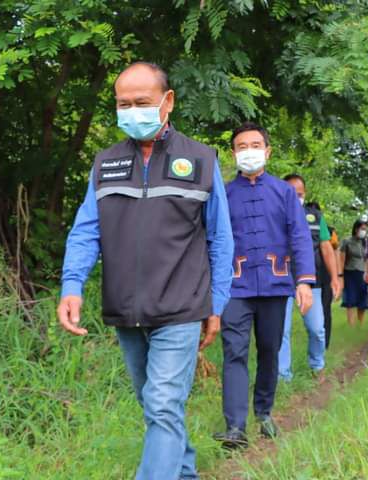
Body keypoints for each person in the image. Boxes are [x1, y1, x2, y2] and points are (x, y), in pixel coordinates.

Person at [57, 62, 234, 480]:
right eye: (124, 104)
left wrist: (217, 304)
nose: (132, 111)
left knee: (163, 404)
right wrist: (71, 285)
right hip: (126, 308)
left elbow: (221, 238)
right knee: (155, 407)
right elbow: (86, 230)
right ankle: (184, 473)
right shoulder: (105, 164)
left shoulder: (201, 159)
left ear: (167, 102)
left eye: (142, 102)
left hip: (181, 306)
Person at [214, 122, 316, 449]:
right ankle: (235, 426)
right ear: (233, 153)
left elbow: (300, 237)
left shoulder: (284, 192)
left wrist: (304, 281)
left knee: (270, 350)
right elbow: (212, 239)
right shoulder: (223, 194)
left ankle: (264, 412)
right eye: (242, 146)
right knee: (234, 351)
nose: (249, 151)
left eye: (255, 145)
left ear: (268, 151)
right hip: (235, 287)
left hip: (275, 284)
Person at [278, 177, 341, 382]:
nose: (297, 198)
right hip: (281, 280)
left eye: (300, 194)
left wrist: (335, 277)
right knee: (281, 331)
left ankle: (317, 365)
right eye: (292, 193)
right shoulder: (274, 213)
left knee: (317, 329)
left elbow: (326, 248)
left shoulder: (315, 217)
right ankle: (283, 376)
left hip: (311, 280)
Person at [339, 220, 368, 326]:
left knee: (362, 300)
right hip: (350, 273)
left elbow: (367, 259)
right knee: (350, 300)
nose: (364, 231)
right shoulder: (347, 241)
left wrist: (367, 272)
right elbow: (341, 259)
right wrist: (340, 275)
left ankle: (361, 325)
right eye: (362, 229)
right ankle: (351, 325)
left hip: (363, 274)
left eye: (365, 229)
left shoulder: (366, 243)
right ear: (356, 229)